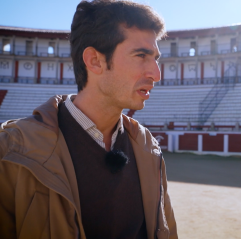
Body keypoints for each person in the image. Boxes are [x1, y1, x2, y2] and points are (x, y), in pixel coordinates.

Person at [0, 0, 177, 238]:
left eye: (155, 58)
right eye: (141, 55)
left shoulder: (148, 148)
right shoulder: (10, 150)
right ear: (94, 60)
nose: (156, 74)